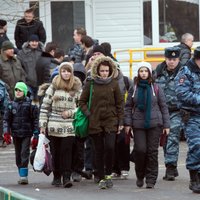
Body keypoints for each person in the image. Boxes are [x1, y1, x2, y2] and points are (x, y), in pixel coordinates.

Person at [79, 56, 124, 189]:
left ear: (110, 71)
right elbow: (82, 101)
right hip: (95, 121)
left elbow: (120, 103)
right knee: (98, 150)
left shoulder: (114, 84)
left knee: (110, 147)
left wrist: (120, 121)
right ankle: (100, 176)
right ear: (97, 71)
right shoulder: (90, 83)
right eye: (102, 71)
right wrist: (89, 114)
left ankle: (108, 174)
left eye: (106, 71)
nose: (104, 73)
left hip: (111, 120)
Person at [124, 61, 170, 189]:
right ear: (138, 73)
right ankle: (140, 175)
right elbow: (128, 107)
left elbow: (163, 106)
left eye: (145, 71)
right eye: (141, 71)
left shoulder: (156, 87)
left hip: (155, 124)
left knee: (152, 152)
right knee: (140, 150)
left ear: (149, 72)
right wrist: (127, 123)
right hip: (138, 124)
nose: (143, 74)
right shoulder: (134, 88)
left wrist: (167, 125)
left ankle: (151, 179)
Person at [39, 62, 82, 188]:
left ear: (72, 72)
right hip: (53, 125)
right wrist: (42, 125)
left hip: (69, 125)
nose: (66, 73)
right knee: (55, 151)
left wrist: (70, 112)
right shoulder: (53, 86)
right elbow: (45, 106)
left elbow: (81, 107)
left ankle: (67, 177)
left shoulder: (77, 86)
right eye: (64, 71)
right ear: (60, 72)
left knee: (67, 151)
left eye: (68, 71)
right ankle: (57, 176)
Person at [154, 47, 183, 181]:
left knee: (172, 137)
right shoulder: (158, 73)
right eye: (169, 59)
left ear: (178, 60)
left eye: (174, 59)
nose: (171, 62)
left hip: (177, 111)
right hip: (160, 111)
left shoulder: (184, 73)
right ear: (165, 59)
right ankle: (172, 165)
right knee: (164, 139)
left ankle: (170, 167)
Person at [175, 46, 200, 194]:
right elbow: (182, 93)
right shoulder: (185, 72)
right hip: (192, 116)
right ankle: (194, 178)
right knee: (197, 146)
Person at [3, 81, 39, 184]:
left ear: (24, 91)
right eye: (16, 90)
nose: (18, 92)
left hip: (27, 133)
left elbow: (35, 120)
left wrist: (36, 134)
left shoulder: (30, 105)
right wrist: (6, 132)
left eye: (20, 90)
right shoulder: (11, 105)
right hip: (15, 134)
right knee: (18, 155)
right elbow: (6, 120)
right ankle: (21, 173)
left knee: (24, 153)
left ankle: (24, 176)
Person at [17, 34, 44, 101]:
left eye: (36, 41)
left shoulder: (43, 52)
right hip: (28, 84)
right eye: (32, 41)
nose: (34, 43)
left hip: (40, 84)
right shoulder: (22, 53)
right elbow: (19, 68)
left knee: (40, 104)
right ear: (29, 42)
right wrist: (24, 79)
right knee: (28, 102)